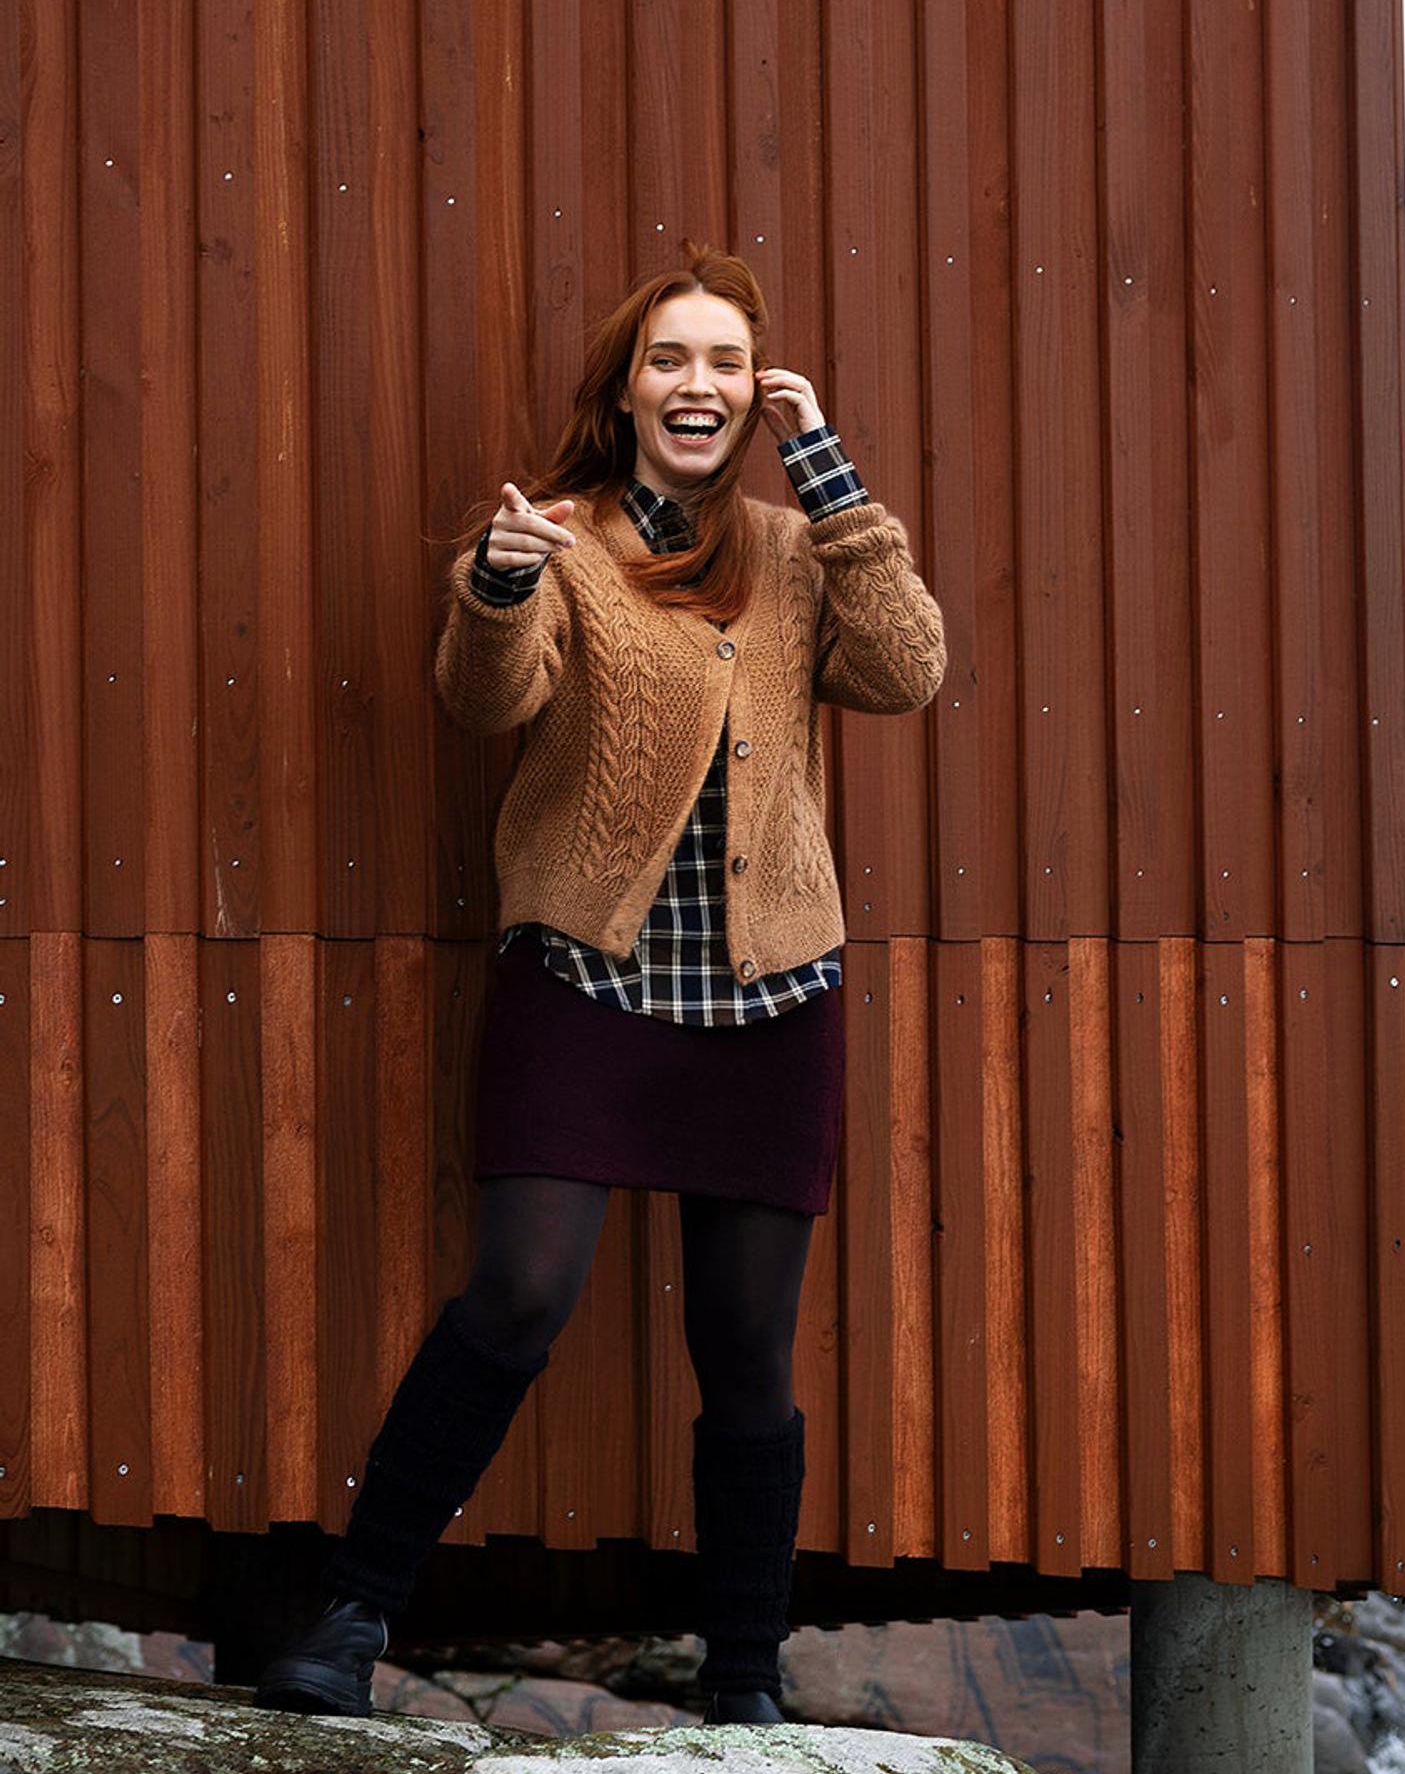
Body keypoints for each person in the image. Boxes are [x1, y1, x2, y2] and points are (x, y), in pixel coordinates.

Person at [252, 242, 947, 1726]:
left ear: (755, 393)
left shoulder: (793, 540)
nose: (693, 385)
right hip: (585, 975)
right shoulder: (553, 540)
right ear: (626, 391)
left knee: (746, 1346)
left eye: (722, 364)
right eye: (666, 361)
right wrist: (500, 589)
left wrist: (829, 476)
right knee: (516, 1294)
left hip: (770, 997)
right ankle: (355, 1612)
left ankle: (744, 1679)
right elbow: (483, 696)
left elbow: (908, 673)